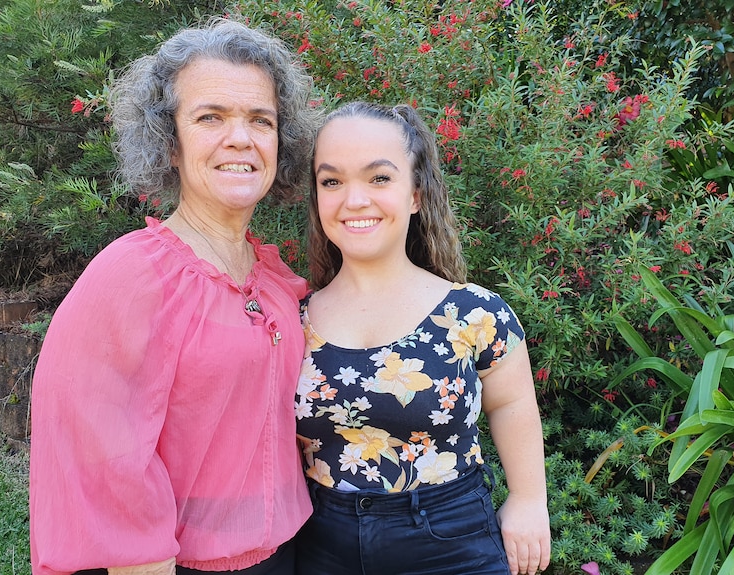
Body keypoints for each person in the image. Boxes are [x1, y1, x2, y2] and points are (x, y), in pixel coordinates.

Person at [29, 18, 319, 575]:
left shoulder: (274, 280)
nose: (241, 138)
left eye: (261, 120)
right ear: (169, 143)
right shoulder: (132, 276)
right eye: (211, 117)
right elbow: (101, 455)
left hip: (290, 556)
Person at [293, 101, 552, 575]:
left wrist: (529, 499)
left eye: (379, 178)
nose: (354, 200)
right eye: (332, 181)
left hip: (451, 541)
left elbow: (511, 404)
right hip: (321, 545)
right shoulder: (293, 319)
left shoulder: (474, 313)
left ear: (415, 193)